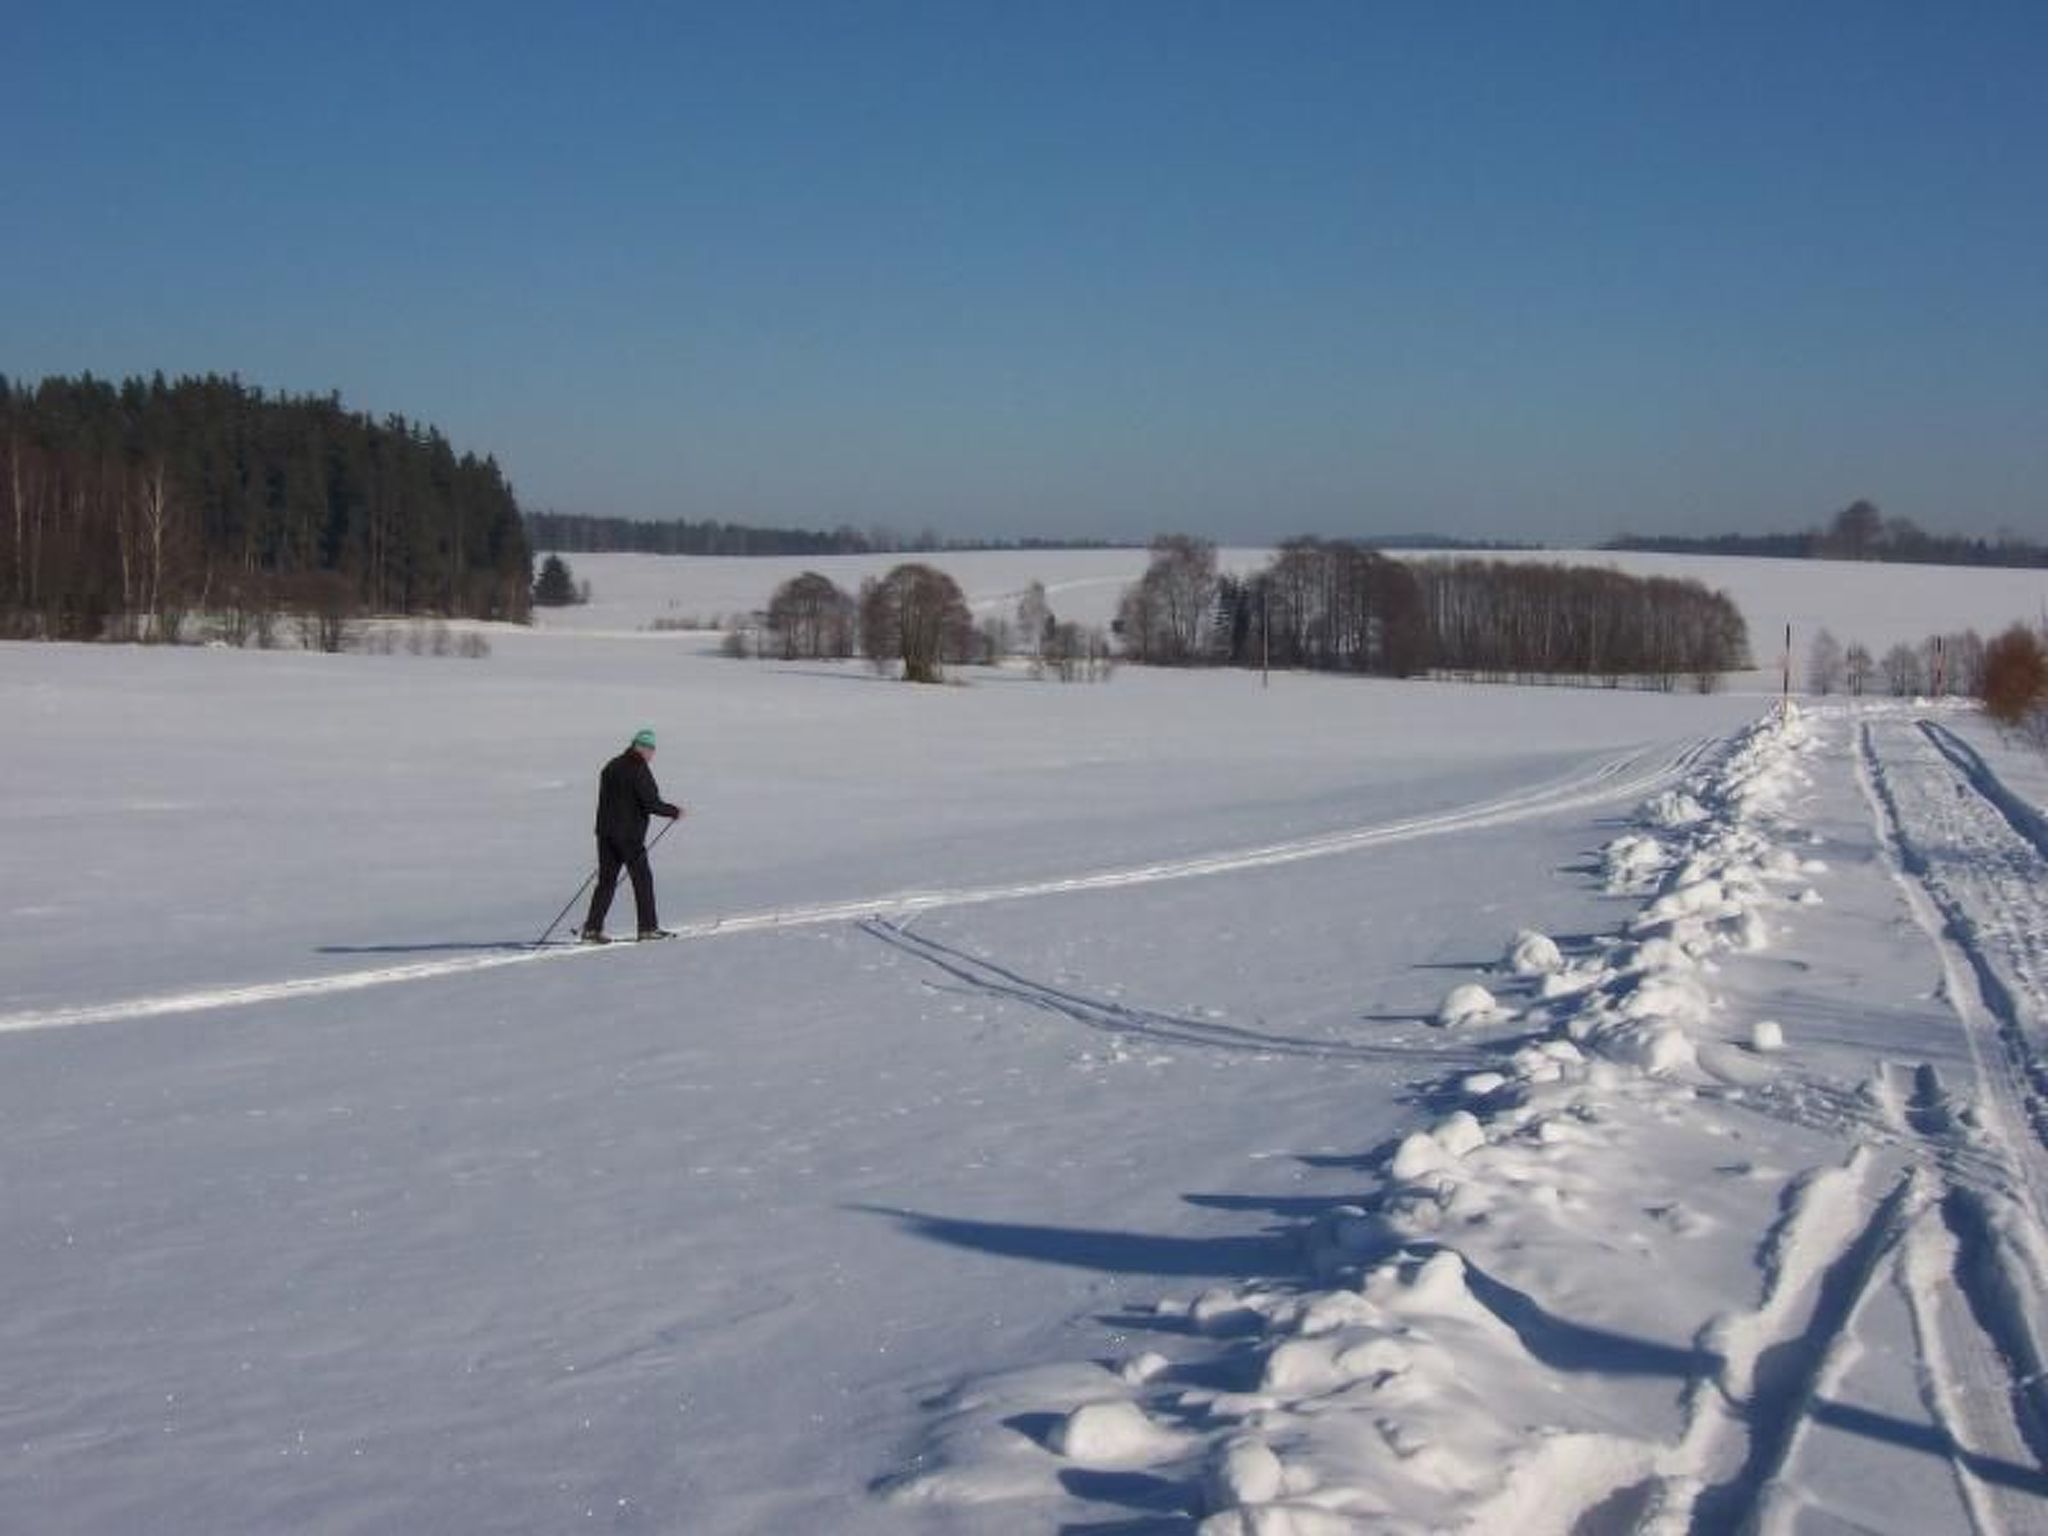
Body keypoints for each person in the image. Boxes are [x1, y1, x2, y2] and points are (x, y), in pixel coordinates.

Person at [581, 727, 683, 942]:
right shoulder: (638, 768)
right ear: (642, 747)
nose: (652, 754)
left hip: (605, 833)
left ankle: (592, 929)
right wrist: (673, 811)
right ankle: (647, 928)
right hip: (629, 835)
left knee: (606, 881)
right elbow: (650, 802)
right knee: (642, 879)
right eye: (651, 749)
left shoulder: (611, 766)